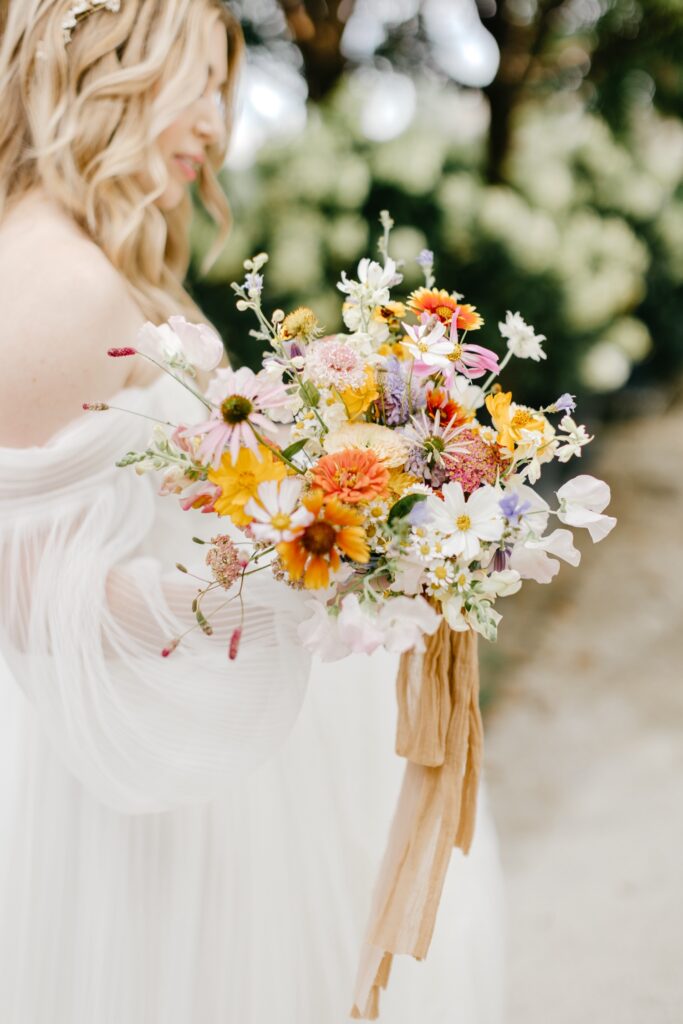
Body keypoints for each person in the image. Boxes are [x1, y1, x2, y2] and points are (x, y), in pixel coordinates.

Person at [0, 2, 505, 1021]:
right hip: (125, 783)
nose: (215, 131)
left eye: (226, 93)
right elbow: (20, 586)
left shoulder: (87, 259)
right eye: (196, 80)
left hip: (188, 749)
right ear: (107, 64)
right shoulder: (54, 281)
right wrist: (251, 595)